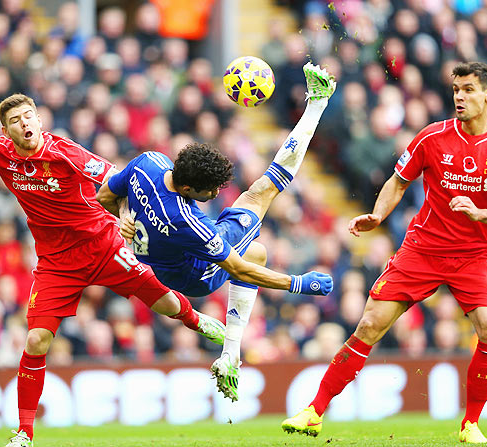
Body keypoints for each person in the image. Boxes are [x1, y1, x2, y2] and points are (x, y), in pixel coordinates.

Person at [0, 93, 227, 447]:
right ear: (5, 130)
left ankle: (199, 322)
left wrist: (124, 213)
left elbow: (119, 180)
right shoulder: (1, 154)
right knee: (36, 340)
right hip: (57, 263)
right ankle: (25, 433)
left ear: (40, 120)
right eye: (16, 120)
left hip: (103, 244)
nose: (24, 123)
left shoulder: (67, 153)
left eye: (29, 116)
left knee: (163, 301)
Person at [281, 62, 487, 444]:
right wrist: (378, 214)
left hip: (476, 255)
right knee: (368, 325)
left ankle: (471, 425)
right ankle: (314, 411)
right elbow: (399, 180)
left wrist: (480, 213)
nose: (459, 97)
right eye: (455, 90)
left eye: (468, 90)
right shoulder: (432, 137)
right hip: (423, 250)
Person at [96, 62, 337, 401]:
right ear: (190, 187)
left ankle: (230, 355)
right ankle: (317, 104)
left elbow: (105, 195)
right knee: (262, 195)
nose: (214, 196)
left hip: (160, 256)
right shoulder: (188, 223)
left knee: (255, 251)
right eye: (210, 191)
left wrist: (125, 215)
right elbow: (236, 269)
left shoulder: (148, 162)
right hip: (192, 276)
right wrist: (296, 284)